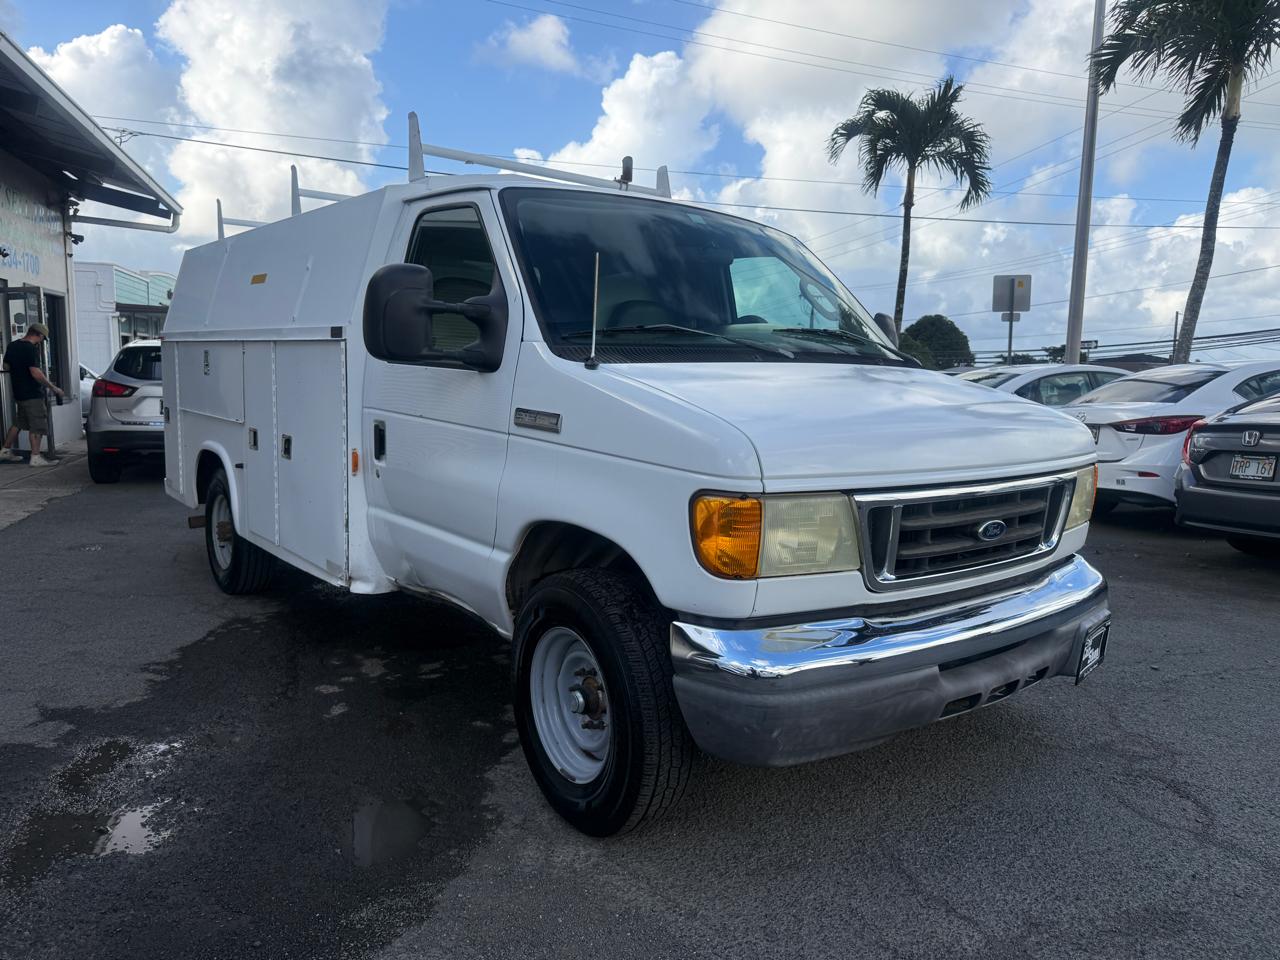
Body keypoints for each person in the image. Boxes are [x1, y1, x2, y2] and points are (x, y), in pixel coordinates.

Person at [1, 322, 65, 467]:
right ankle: (35, 457)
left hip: (18, 392)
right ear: (39, 334)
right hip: (32, 393)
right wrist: (53, 388)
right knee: (38, 424)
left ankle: (5, 450)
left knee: (19, 422)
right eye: (42, 338)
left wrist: (18, 370)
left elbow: (6, 366)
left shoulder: (13, 345)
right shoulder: (31, 349)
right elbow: (35, 373)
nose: (41, 341)